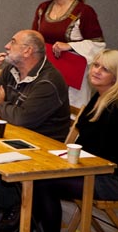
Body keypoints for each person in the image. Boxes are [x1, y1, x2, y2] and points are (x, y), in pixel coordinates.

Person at [0, 30, 70, 232]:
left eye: (12, 42)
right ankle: (1, 198)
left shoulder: (48, 81)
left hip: (42, 146)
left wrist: (1, 104)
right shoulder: (10, 70)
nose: (7, 46)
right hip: (14, 134)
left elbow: (21, 119)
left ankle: (12, 203)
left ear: (27, 51)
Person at [33, 49, 118, 232]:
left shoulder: (114, 107)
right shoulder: (100, 96)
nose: (96, 71)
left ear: (115, 77)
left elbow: (105, 152)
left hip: (108, 177)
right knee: (36, 172)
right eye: (96, 65)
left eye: (105, 69)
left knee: (43, 182)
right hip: (90, 166)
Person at [32, 0, 106, 108]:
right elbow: (34, 39)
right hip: (44, 73)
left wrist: (70, 46)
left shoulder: (84, 12)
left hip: (72, 80)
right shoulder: (43, 8)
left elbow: (99, 45)